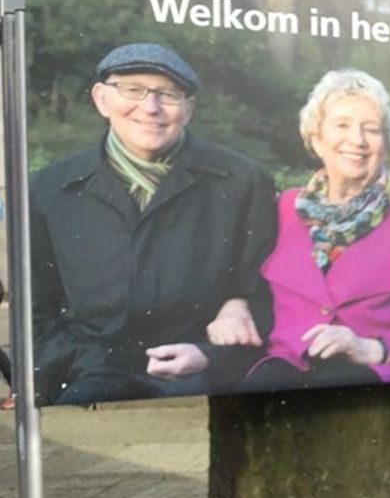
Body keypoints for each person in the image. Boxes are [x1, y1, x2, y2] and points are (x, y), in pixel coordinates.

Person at [30, 43, 276, 405]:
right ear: (101, 99)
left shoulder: (243, 181)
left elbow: (266, 294)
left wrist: (210, 354)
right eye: (132, 90)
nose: (151, 107)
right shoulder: (48, 188)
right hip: (86, 380)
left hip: (200, 380)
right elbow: (36, 310)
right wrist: (84, 363)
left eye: (169, 94)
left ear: (189, 109)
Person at [223, 69, 390, 390]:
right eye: (342, 125)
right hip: (292, 362)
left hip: (385, 366)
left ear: (386, 143)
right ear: (316, 138)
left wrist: (374, 347)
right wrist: (234, 304)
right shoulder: (281, 208)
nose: (357, 140)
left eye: (371, 129)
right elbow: (244, 282)